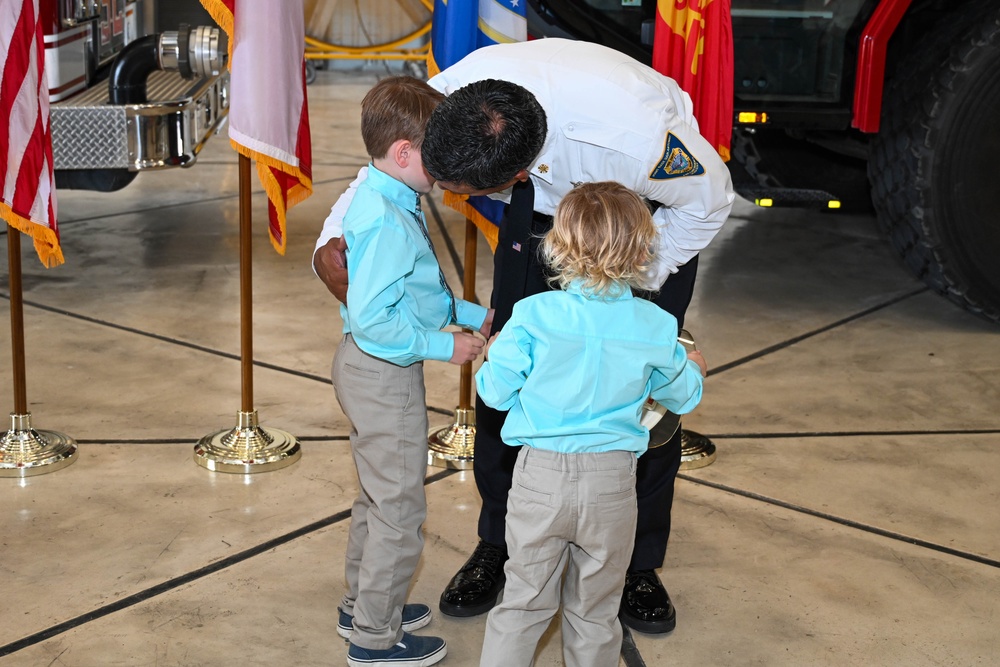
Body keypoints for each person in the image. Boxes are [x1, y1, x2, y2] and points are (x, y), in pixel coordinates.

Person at [314, 38, 735, 635]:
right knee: (507, 364)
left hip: (636, 225)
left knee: (643, 392)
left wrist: (625, 293)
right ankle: (500, 541)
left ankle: (638, 562)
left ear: (512, 174)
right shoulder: (460, 94)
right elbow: (380, 172)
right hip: (539, 219)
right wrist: (328, 246)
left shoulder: (633, 139)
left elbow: (709, 200)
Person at [476, 181, 707, 667]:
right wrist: (693, 368)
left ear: (557, 245)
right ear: (643, 251)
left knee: (522, 603)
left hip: (540, 477)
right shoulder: (655, 325)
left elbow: (494, 392)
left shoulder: (532, 314)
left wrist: (495, 355)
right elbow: (682, 395)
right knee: (595, 610)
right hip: (611, 484)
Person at [330, 75, 493, 667]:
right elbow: (378, 323)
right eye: (439, 155)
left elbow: (419, 294)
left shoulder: (387, 196)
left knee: (377, 498)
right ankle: (374, 638)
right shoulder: (388, 221)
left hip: (367, 368)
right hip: (382, 373)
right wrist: (443, 348)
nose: (448, 169)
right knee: (401, 511)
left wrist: (477, 315)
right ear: (405, 153)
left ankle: (361, 604)